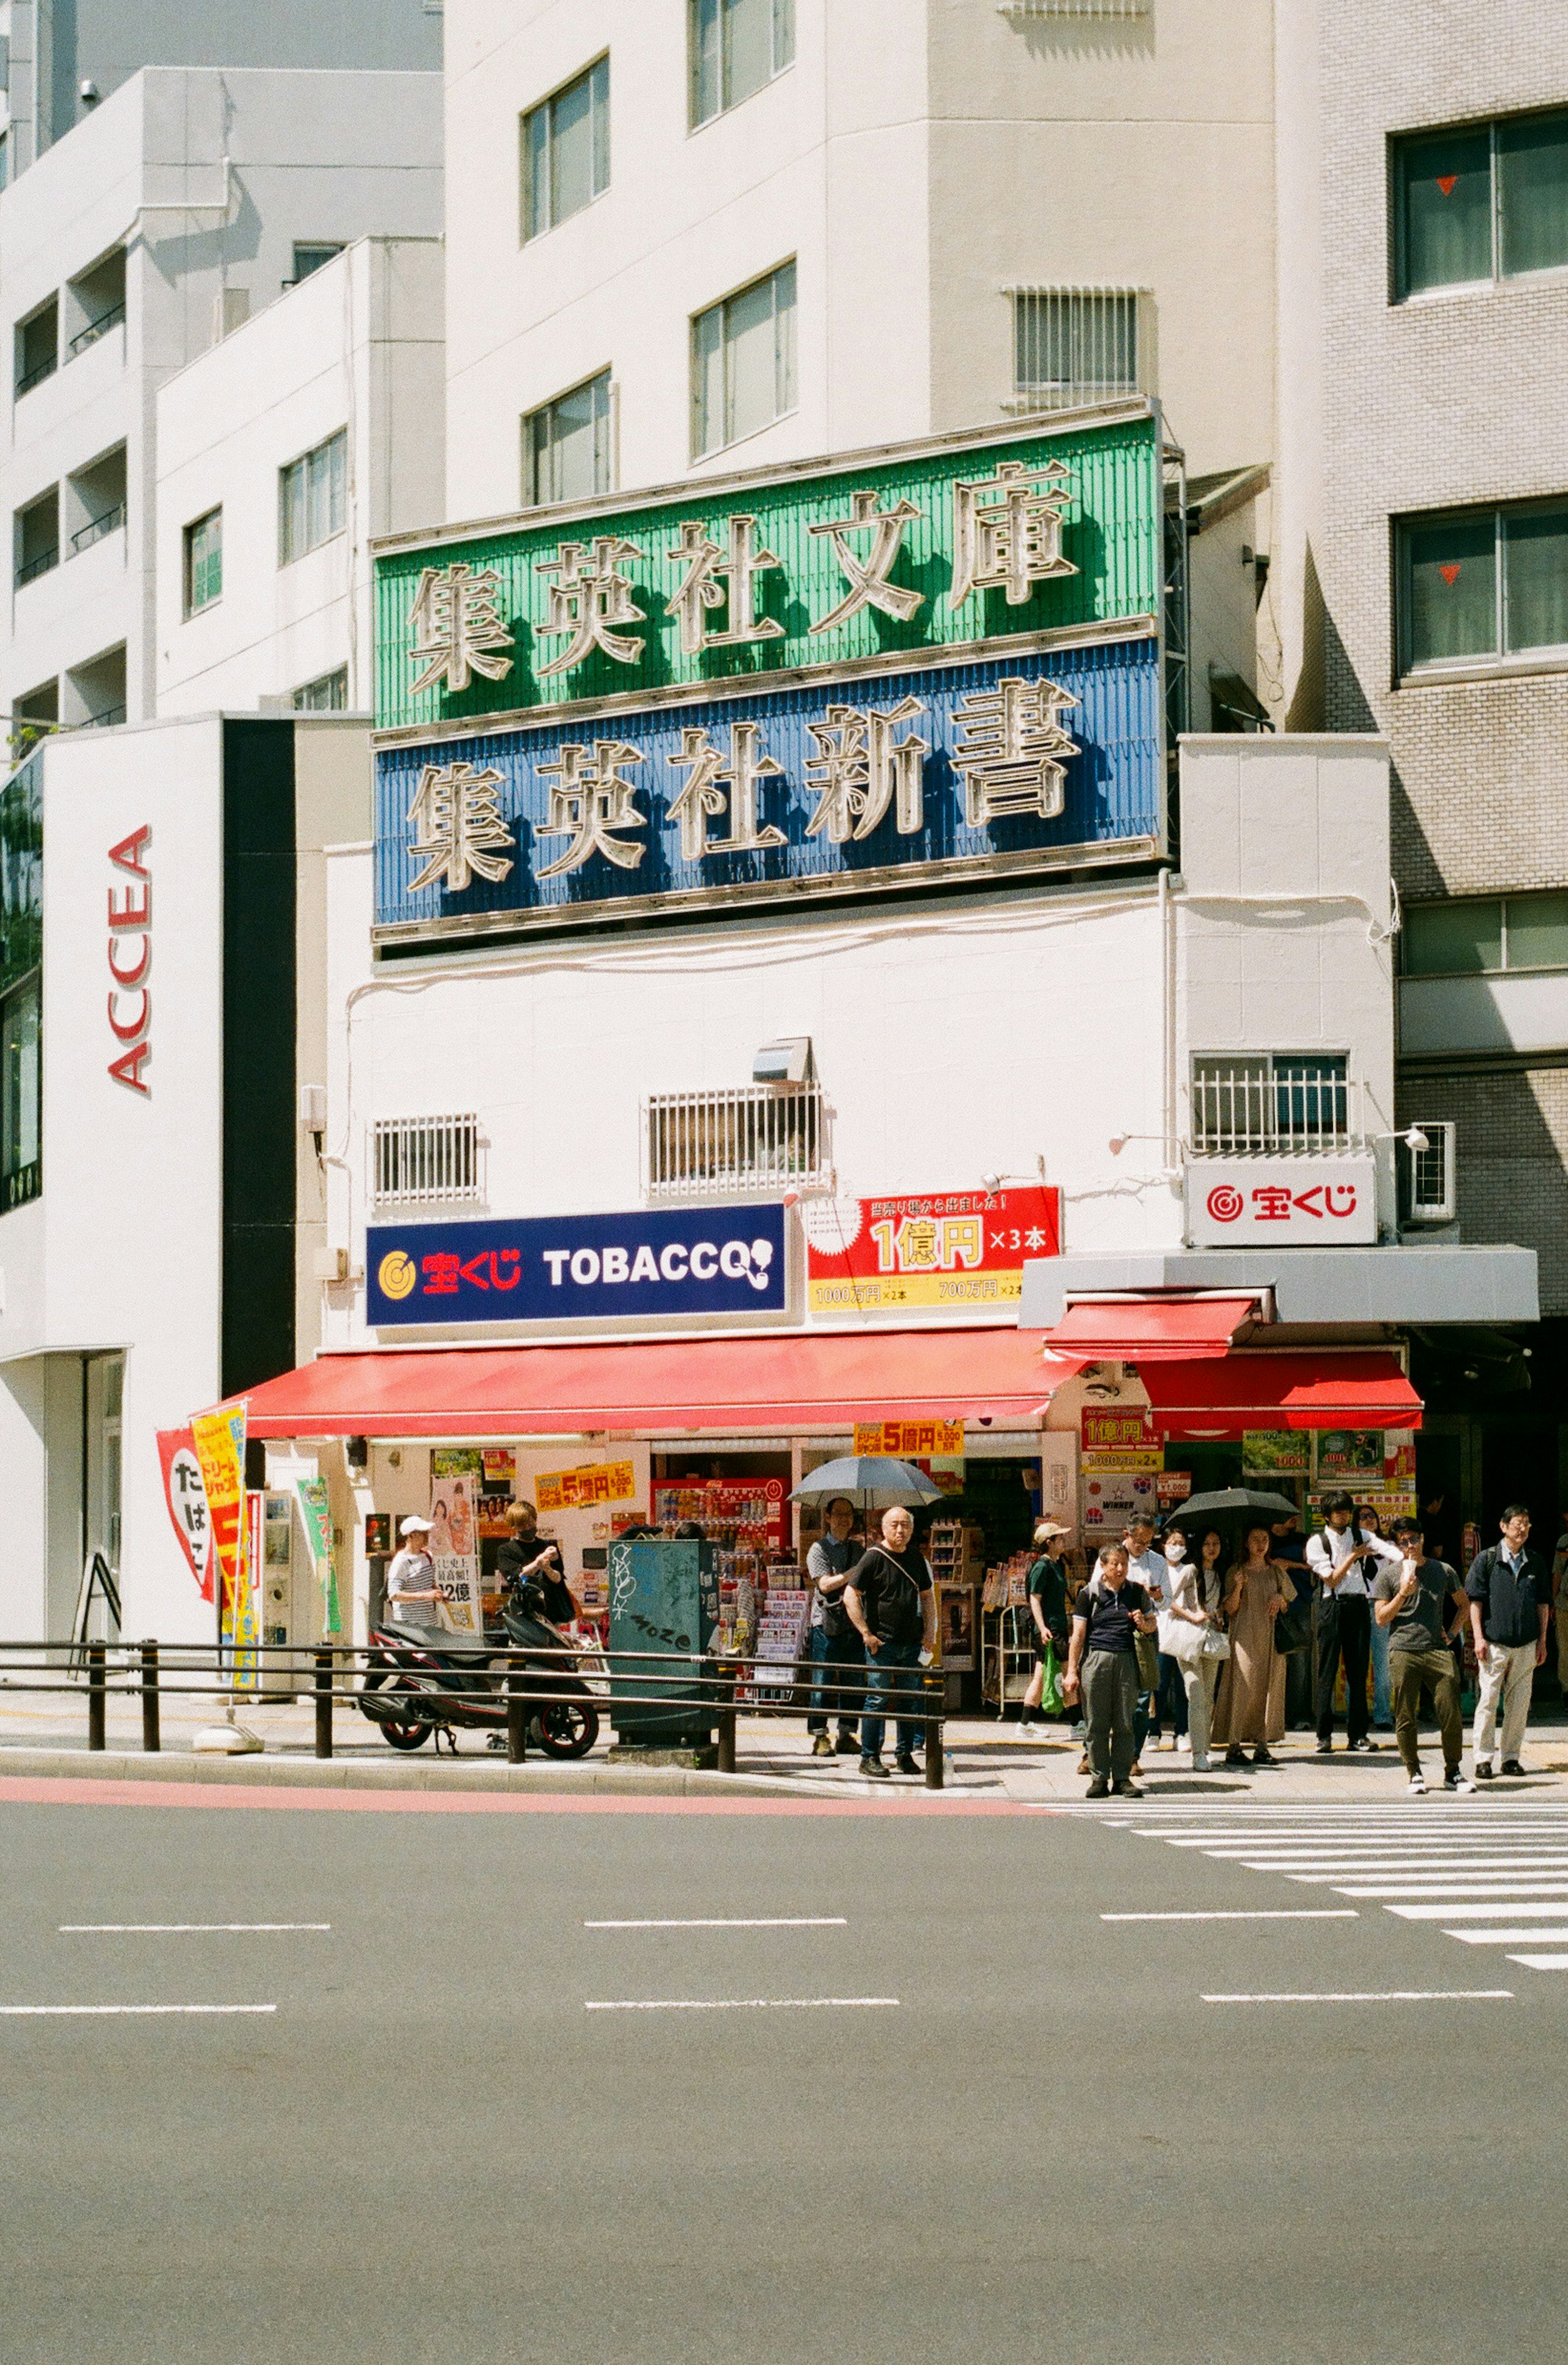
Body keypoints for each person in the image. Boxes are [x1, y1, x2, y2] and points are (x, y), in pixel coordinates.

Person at [1373, 1517, 1473, 1794]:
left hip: (1437, 1649)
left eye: (1414, 1539)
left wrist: (1452, 1634)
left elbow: (1464, 1604)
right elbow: (1381, 1618)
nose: (1410, 1546)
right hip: (1403, 1648)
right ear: (1396, 1545)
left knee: (1451, 1710)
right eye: (1403, 1542)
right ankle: (1413, 1771)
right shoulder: (1389, 1574)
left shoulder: (1443, 1570)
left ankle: (1453, 1771)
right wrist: (1403, 1594)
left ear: (1423, 1539)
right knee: (1405, 1713)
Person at [1305, 1493, 1404, 1754]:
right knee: (1327, 1671)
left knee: (1358, 1672)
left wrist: (1410, 1560)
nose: (1343, 1516)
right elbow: (1332, 1580)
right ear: (1327, 1515)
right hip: (1332, 1606)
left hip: (1360, 1605)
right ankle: (1323, 1736)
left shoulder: (1361, 1535)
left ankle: (1358, 1735)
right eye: (1337, 1512)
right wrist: (1353, 1556)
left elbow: (1391, 1552)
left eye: (1346, 1511)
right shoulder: (1318, 1542)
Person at [844, 1506, 936, 1780]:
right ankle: (869, 1756)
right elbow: (851, 1596)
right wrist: (866, 1633)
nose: (900, 1531)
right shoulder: (873, 1558)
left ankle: (904, 1755)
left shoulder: (917, 1558)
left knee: (910, 1701)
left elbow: (928, 1598)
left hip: (912, 1643)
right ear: (884, 1529)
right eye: (894, 1525)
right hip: (881, 1645)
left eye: (905, 1525)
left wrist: (931, 1634)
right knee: (878, 1699)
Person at [1061, 1544, 1158, 1798]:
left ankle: (1123, 1779)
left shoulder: (1138, 1593)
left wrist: (1143, 1622)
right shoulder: (1089, 1594)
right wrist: (1072, 1672)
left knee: (1126, 1722)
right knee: (1096, 1722)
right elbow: (1078, 1635)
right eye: (1114, 1564)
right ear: (1103, 1567)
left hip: (1128, 1660)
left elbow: (1152, 1626)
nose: (1120, 1568)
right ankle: (1099, 1778)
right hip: (1097, 1660)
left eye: (1124, 1564)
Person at [1466, 1504, 1552, 1779]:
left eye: (1527, 1524)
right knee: (1489, 1701)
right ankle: (1483, 1758)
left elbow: (1543, 1605)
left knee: (1519, 1704)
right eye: (1517, 1523)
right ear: (1503, 1527)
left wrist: (1542, 1642)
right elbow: (1475, 1602)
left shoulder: (1536, 1561)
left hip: (1526, 1644)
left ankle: (1511, 1758)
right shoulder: (1487, 1559)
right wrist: (1478, 1638)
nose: (1523, 1529)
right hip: (1494, 1644)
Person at [1211, 1524, 1291, 1767]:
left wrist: (1281, 1599)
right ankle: (1234, 1745)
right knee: (1242, 1687)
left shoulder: (1276, 1571)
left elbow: (1288, 1604)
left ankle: (1262, 1745)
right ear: (1246, 1543)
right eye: (1255, 1539)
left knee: (1269, 1689)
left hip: (1271, 1637)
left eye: (1265, 1539)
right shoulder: (1237, 1571)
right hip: (1244, 1636)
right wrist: (1238, 1586)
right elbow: (1230, 1608)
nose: (1260, 1543)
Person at [1156, 1523, 1220, 1770]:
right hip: (1188, 1638)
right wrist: (1192, 1614)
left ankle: (1205, 1746)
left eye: (1216, 1544)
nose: (1212, 1549)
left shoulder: (1220, 1573)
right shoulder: (1191, 1571)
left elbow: (1220, 1605)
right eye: (1207, 1544)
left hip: (1211, 1638)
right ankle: (1198, 1753)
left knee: (1208, 1698)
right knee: (1195, 1691)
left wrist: (1219, 1613)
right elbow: (1168, 1598)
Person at [805, 1498, 864, 1759]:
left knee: (853, 1681)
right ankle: (820, 1737)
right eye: (838, 1514)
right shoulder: (818, 1550)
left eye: (849, 1514)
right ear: (828, 1517)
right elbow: (825, 1585)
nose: (844, 1519)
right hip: (825, 1625)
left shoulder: (859, 1549)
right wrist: (852, 1573)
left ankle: (847, 1735)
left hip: (853, 1622)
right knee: (822, 1682)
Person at [1018, 1519, 1071, 1738]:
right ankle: (1077, 1721)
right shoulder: (1042, 1566)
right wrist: (1042, 1628)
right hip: (1050, 1629)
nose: (1064, 1541)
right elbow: (1035, 1599)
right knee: (1069, 1671)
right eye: (1060, 1538)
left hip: (1054, 1626)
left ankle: (1025, 1722)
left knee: (1041, 1675)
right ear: (1049, 1542)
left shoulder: (1057, 1564)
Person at [1122, 1512, 1165, 1766]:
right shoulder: (1112, 1558)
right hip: (1115, 1633)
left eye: (1148, 1542)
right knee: (1111, 1700)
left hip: (1146, 1634)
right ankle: (1092, 1753)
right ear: (1126, 1536)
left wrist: (1157, 1597)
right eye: (1139, 1541)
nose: (1143, 1547)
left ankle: (1133, 1756)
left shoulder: (1157, 1562)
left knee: (1142, 1699)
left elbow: (1167, 1600)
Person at [1269, 1514, 1315, 1731]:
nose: (1293, 1519)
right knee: (1271, 1661)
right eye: (1286, 1516)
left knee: (1300, 1660)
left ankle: (1300, 1714)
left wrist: (1290, 1564)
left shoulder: (1303, 1539)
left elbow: (1314, 1566)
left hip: (1300, 1603)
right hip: (1272, 1605)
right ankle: (1273, 1714)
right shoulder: (1266, 1539)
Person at [1357, 1505, 1395, 1734]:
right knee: (1357, 1663)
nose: (1369, 1520)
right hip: (1359, 1605)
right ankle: (1357, 1714)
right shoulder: (1352, 1547)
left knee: (1383, 1664)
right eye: (1363, 1517)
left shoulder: (1388, 1547)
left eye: (1372, 1516)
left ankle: (1383, 1715)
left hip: (1381, 1605)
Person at [384, 1514, 442, 1632]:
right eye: (422, 1533)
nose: (426, 1536)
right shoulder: (401, 1562)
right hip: (410, 1629)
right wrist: (425, 1596)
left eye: (427, 1533)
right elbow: (394, 1594)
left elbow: (430, 1584)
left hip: (430, 1625)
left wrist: (441, 1594)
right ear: (410, 1536)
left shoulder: (428, 1556)